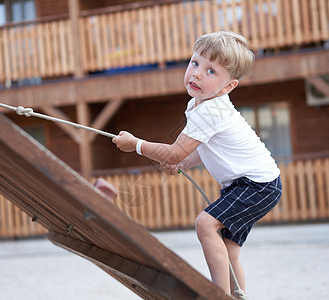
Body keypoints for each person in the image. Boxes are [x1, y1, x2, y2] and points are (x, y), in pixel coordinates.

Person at [113, 31, 282, 297]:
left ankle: (219, 294)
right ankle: (235, 295)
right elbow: (201, 148)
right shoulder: (201, 105)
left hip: (256, 185)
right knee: (229, 251)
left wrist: (135, 144)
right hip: (258, 184)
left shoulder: (209, 110)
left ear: (229, 86)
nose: (198, 74)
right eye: (195, 63)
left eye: (211, 71)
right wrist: (184, 161)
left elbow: (173, 153)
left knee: (205, 224)